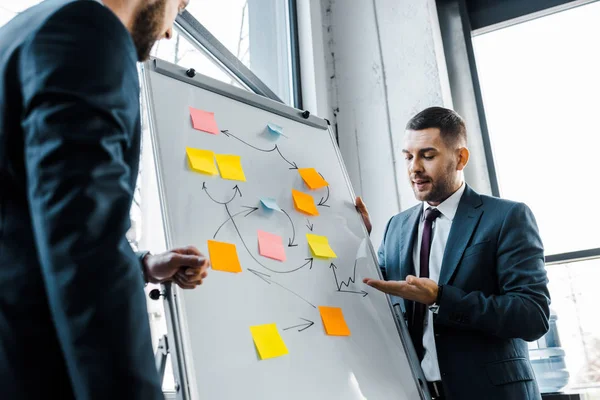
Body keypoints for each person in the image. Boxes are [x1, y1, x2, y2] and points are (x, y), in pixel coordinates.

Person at [0, 0, 208, 398]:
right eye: (178, 8)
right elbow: (85, 250)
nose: (168, 32)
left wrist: (143, 266)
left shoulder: (30, 29)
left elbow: (42, 223)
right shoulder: (87, 33)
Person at [356, 107, 550, 400]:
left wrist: (440, 298)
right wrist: (355, 241)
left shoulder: (506, 216)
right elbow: (375, 301)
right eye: (408, 156)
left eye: (428, 155)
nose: (414, 168)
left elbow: (532, 316)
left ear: (460, 158)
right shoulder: (396, 226)